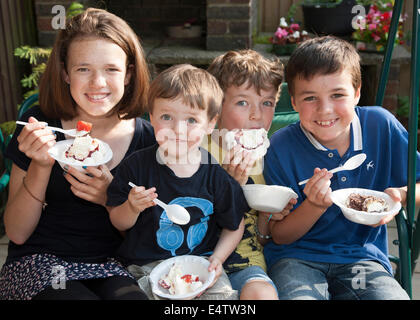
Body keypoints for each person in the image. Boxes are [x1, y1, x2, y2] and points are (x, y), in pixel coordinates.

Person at [0, 8, 156, 300]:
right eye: (83, 69)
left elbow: (145, 244)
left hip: (112, 267)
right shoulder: (41, 125)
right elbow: (17, 232)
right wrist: (41, 165)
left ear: (128, 74)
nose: (97, 82)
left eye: (111, 69)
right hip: (39, 263)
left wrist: (110, 200)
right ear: (65, 74)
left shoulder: (148, 141)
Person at [263, 36, 419, 300]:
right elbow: (279, 236)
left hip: (362, 257)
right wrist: (314, 205)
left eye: (337, 95)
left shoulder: (380, 127)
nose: (325, 110)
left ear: (357, 92)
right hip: (296, 258)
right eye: (310, 98)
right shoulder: (280, 147)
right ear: (293, 102)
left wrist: (400, 195)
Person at [106, 64, 248, 300]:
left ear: (211, 124)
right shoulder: (136, 166)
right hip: (145, 266)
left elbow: (235, 225)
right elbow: (118, 222)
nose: (178, 129)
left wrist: (218, 258)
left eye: (191, 119)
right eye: (166, 117)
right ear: (151, 117)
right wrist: (131, 207)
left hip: (200, 265)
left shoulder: (216, 176)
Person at [206, 49, 296, 299]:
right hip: (198, 257)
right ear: (216, 106)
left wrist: (271, 215)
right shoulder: (196, 150)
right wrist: (226, 188)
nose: (257, 114)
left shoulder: (270, 157)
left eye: (267, 103)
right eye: (243, 102)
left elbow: (263, 237)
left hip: (246, 264)